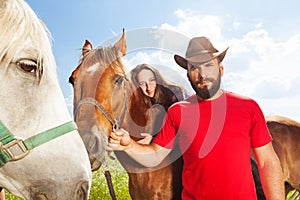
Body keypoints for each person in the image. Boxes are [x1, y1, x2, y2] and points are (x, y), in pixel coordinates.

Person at [109, 36, 285, 199]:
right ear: (187, 74)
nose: (202, 74)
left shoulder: (248, 107)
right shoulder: (177, 112)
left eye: (208, 65)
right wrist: (129, 145)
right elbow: (156, 154)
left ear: (221, 69)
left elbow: (268, 162)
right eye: (194, 67)